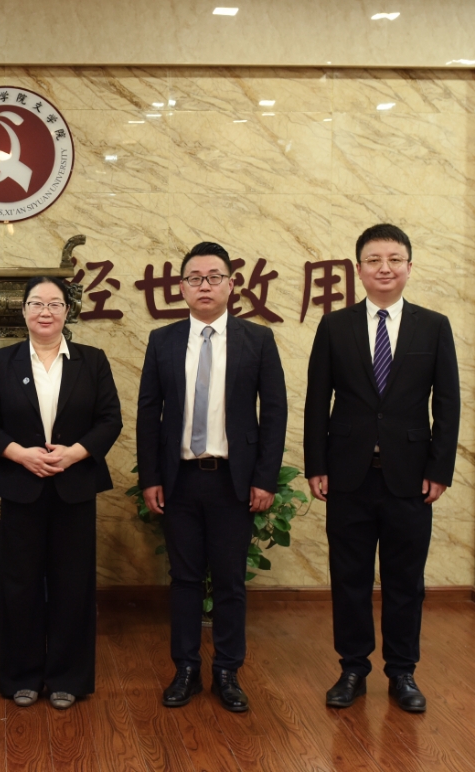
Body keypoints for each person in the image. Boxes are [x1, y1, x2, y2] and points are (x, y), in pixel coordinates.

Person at [304, 223, 460, 714]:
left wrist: (440, 468)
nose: (384, 268)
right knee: (348, 577)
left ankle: (402, 671)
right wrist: (316, 464)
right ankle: (352, 668)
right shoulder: (335, 326)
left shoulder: (433, 326)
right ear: (359, 269)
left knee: (404, 580)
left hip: (410, 477)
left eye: (394, 259)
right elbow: (316, 401)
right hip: (347, 475)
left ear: (409, 267)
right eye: (374, 260)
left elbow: (448, 403)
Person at [136, 241, 287, 713]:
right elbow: (148, 414)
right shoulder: (162, 341)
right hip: (179, 480)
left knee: (229, 581)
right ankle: (185, 669)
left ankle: (227, 671)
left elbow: (275, 413)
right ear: (182, 287)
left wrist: (265, 479)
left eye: (214, 277)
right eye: (195, 278)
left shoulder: (256, 340)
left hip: (232, 481)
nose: (205, 285)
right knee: (183, 579)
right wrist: (151, 477)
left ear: (231, 284)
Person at [0, 276, 122, 711]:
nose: (45, 311)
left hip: (74, 487)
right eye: (36, 303)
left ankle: (67, 678)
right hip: (22, 488)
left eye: (54, 303)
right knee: (19, 585)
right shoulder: (3, 362)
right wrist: (21, 455)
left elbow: (109, 420)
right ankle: (21, 676)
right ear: (23, 311)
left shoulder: (92, 361)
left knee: (72, 584)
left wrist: (74, 453)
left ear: (67, 311)